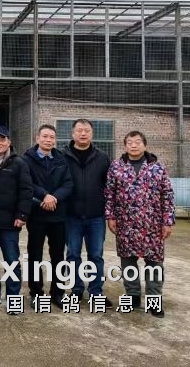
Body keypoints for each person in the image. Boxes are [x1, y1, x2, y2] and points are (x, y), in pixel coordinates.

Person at [105, 131, 175, 318]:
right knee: (128, 262)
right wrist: (110, 217)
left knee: (154, 264)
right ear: (125, 146)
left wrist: (168, 221)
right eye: (130, 142)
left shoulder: (157, 168)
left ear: (145, 145)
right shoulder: (116, 167)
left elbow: (167, 195)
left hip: (152, 224)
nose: (134, 145)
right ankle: (133, 296)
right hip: (126, 223)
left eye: (137, 142)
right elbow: (110, 194)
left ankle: (154, 300)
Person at [0, 125, 32, 315]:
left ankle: (13, 300)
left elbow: (26, 190)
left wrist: (22, 214)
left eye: (2, 139)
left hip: (10, 223)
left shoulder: (19, 163)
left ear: (9, 142)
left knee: (11, 261)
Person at [62, 119, 112, 306]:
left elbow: (110, 186)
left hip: (96, 216)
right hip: (71, 215)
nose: (83, 134)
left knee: (96, 255)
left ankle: (96, 292)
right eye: (79, 130)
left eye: (87, 131)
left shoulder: (102, 157)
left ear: (92, 133)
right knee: (73, 254)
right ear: (72, 133)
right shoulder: (62, 156)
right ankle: (76, 290)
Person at [23, 124, 74, 309]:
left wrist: (54, 198)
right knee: (35, 255)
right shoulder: (26, 159)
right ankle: (36, 293)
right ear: (37, 138)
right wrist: (44, 196)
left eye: (52, 137)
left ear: (55, 140)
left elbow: (68, 183)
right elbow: (27, 183)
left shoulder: (62, 159)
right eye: (45, 136)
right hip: (37, 214)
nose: (48, 140)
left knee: (58, 256)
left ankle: (57, 293)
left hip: (58, 215)